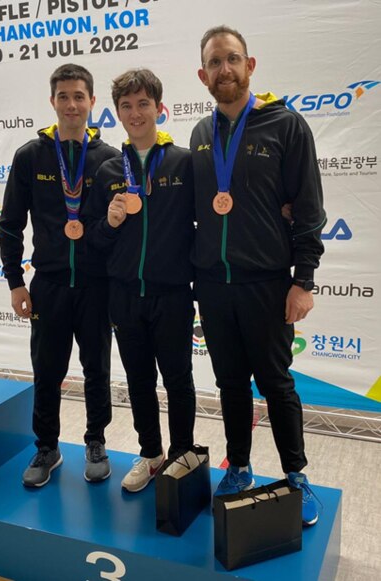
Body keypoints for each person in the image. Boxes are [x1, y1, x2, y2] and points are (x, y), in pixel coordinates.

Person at [190, 26, 327, 526]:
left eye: (233, 59)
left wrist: (303, 280)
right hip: (213, 285)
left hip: (269, 283)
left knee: (276, 383)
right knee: (229, 384)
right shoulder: (200, 134)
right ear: (202, 75)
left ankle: (295, 475)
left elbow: (309, 208)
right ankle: (241, 467)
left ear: (251, 65)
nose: (224, 69)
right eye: (214, 62)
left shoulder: (287, 126)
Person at [0, 63, 118, 488]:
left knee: (97, 369)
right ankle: (47, 447)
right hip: (47, 284)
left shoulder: (109, 159)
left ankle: (96, 440)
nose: (71, 104)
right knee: (47, 370)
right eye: (63, 96)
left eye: (79, 96)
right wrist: (15, 281)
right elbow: (11, 223)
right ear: (52, 102)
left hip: (95, 285)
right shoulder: (30, 156)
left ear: (91, 102)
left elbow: (119, 229)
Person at [87, 68, 196, 492]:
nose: (135, 113)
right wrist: (111, 223)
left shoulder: (185, 162)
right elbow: (95, 238)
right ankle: (151, 454)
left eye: (143, 104)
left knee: (178, 379)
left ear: (159, 108)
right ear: (117, 113)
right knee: (139, 382)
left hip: (171, 295)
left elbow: (206, 220)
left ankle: (182, 456)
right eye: (127, 106)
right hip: (126, 295)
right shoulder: (109, 168)